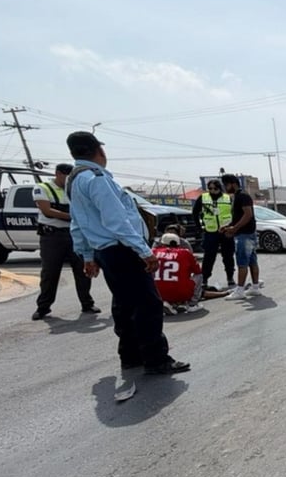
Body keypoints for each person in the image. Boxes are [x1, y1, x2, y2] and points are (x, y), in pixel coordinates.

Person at [65, 131, 189, 375]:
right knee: (148, 304)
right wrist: (144, 251)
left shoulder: (74, 180)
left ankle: (131, 356)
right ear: (99, 151)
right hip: (123, 250)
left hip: (105, 252)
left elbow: (77, 223)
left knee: (124, 304)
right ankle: (156, 359)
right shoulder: (96, 178)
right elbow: (117, 221)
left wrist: (87, 256)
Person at [31, 163, 100, 320]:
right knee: (50, 273)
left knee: (83, 270)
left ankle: (87, 304)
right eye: (66, 177)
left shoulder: (74, 188)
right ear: (58, 174)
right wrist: (74, 216)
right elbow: (47, 211)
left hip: (74, 234)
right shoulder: (43, 187)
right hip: (52, 237)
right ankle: (43, 307)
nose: (69, 180)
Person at [221, 174, 262, 300]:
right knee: (252, 261)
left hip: (245, 235)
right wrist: (228, 226)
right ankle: (255, 287)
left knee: (242, 262)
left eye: (226, 185)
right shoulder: (238, 197)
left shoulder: (242, 196)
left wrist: (235, 228)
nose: (225, 188)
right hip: (246, 233)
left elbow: (248, 215)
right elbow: (239, 217)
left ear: (233, 184)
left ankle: (240, 290)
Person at [191, 178, 236, 290]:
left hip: (225, 231)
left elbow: (234, 214)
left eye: (215, 188)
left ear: (220, 188)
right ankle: (204, 280)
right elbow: (195, 212)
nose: (212, 190)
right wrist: (199, 227)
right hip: (210, 231)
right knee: (209, 257)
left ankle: (230, 278)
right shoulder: (203, 198)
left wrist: (232, 227)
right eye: (210, 188)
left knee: (228, 256)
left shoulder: (228, 198)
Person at [153, 232, 203, 314]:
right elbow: (198, 271)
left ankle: (167, 302)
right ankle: (192, 304)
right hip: (181, 292)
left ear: (162, 243)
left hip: (156, 293)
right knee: (199, 275)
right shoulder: (185, 252)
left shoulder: (153, 252)